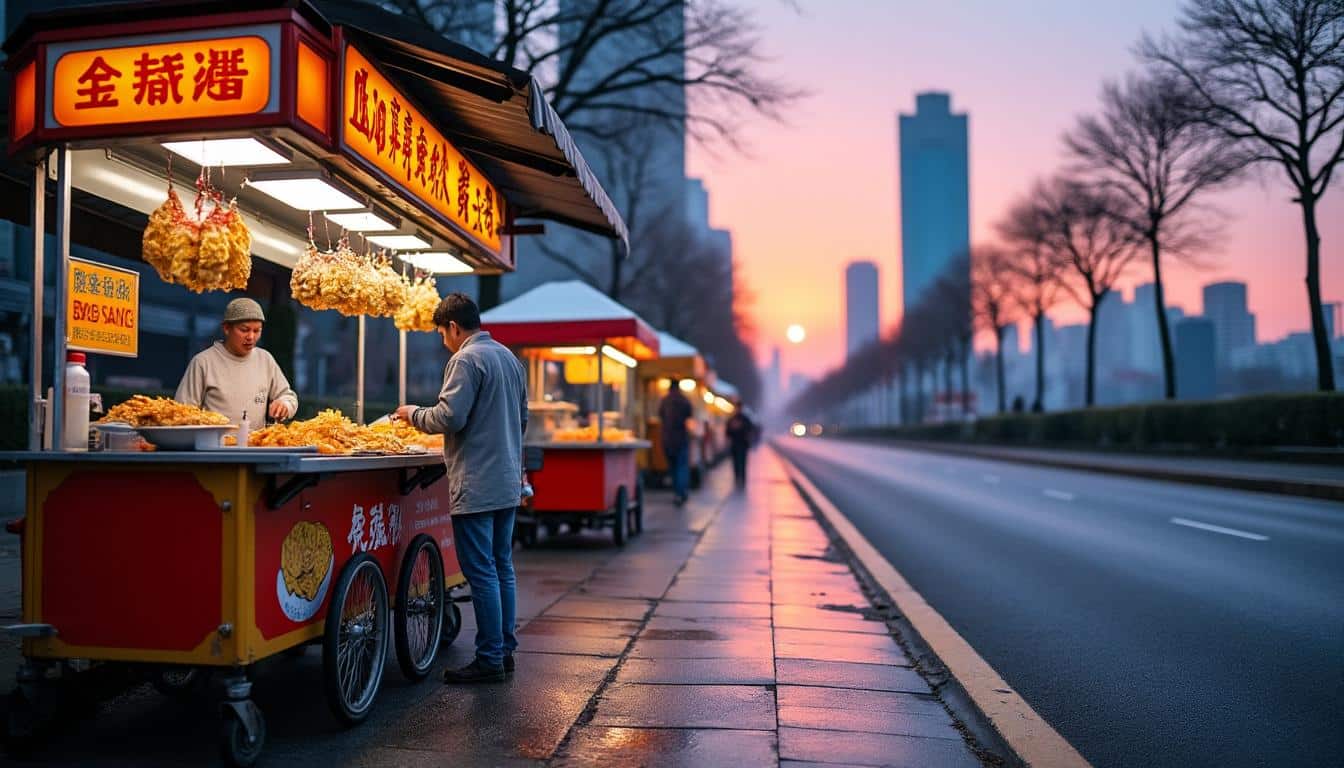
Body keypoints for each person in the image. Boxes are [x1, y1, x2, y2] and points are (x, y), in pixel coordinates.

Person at [395, 293, 527, 684]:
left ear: (453, 327)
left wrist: (411, 414)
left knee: (481, 570)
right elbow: (522, 419)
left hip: (477, 482)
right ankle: (504, 649)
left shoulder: (466, 359)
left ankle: (489, 659)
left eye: (441, 332)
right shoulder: (508, 358)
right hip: (506, 480)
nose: (443, 340)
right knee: (502, 566)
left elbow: (449, 417)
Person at [175, 297, 297, 431]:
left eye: (257, 331)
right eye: (244, 330)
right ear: (226, 328)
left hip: (256, 447)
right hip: (214, 449)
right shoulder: (203, 362)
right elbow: (182, 413)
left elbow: (288, 396)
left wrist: (284, 404)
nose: (251, 337)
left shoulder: (265, 359)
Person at [658, 378, 694, 505]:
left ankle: (676, 493)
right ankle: (681, 493)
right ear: (678, 387)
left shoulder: (664, 400)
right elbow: (690, 415)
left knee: (673, 467)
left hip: (667, 439)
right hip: (681, 438)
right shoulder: (684, 400)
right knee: (681, 467)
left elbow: (660, 415)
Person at [724, 400, 758, 486]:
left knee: (742, 463)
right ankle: (737, 478)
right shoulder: (733, 419)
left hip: (742, 444)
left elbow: (750, 430)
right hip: (736, 444)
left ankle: (742, 479)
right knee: (736, 463)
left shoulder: (742, 419)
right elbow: (727, 432)